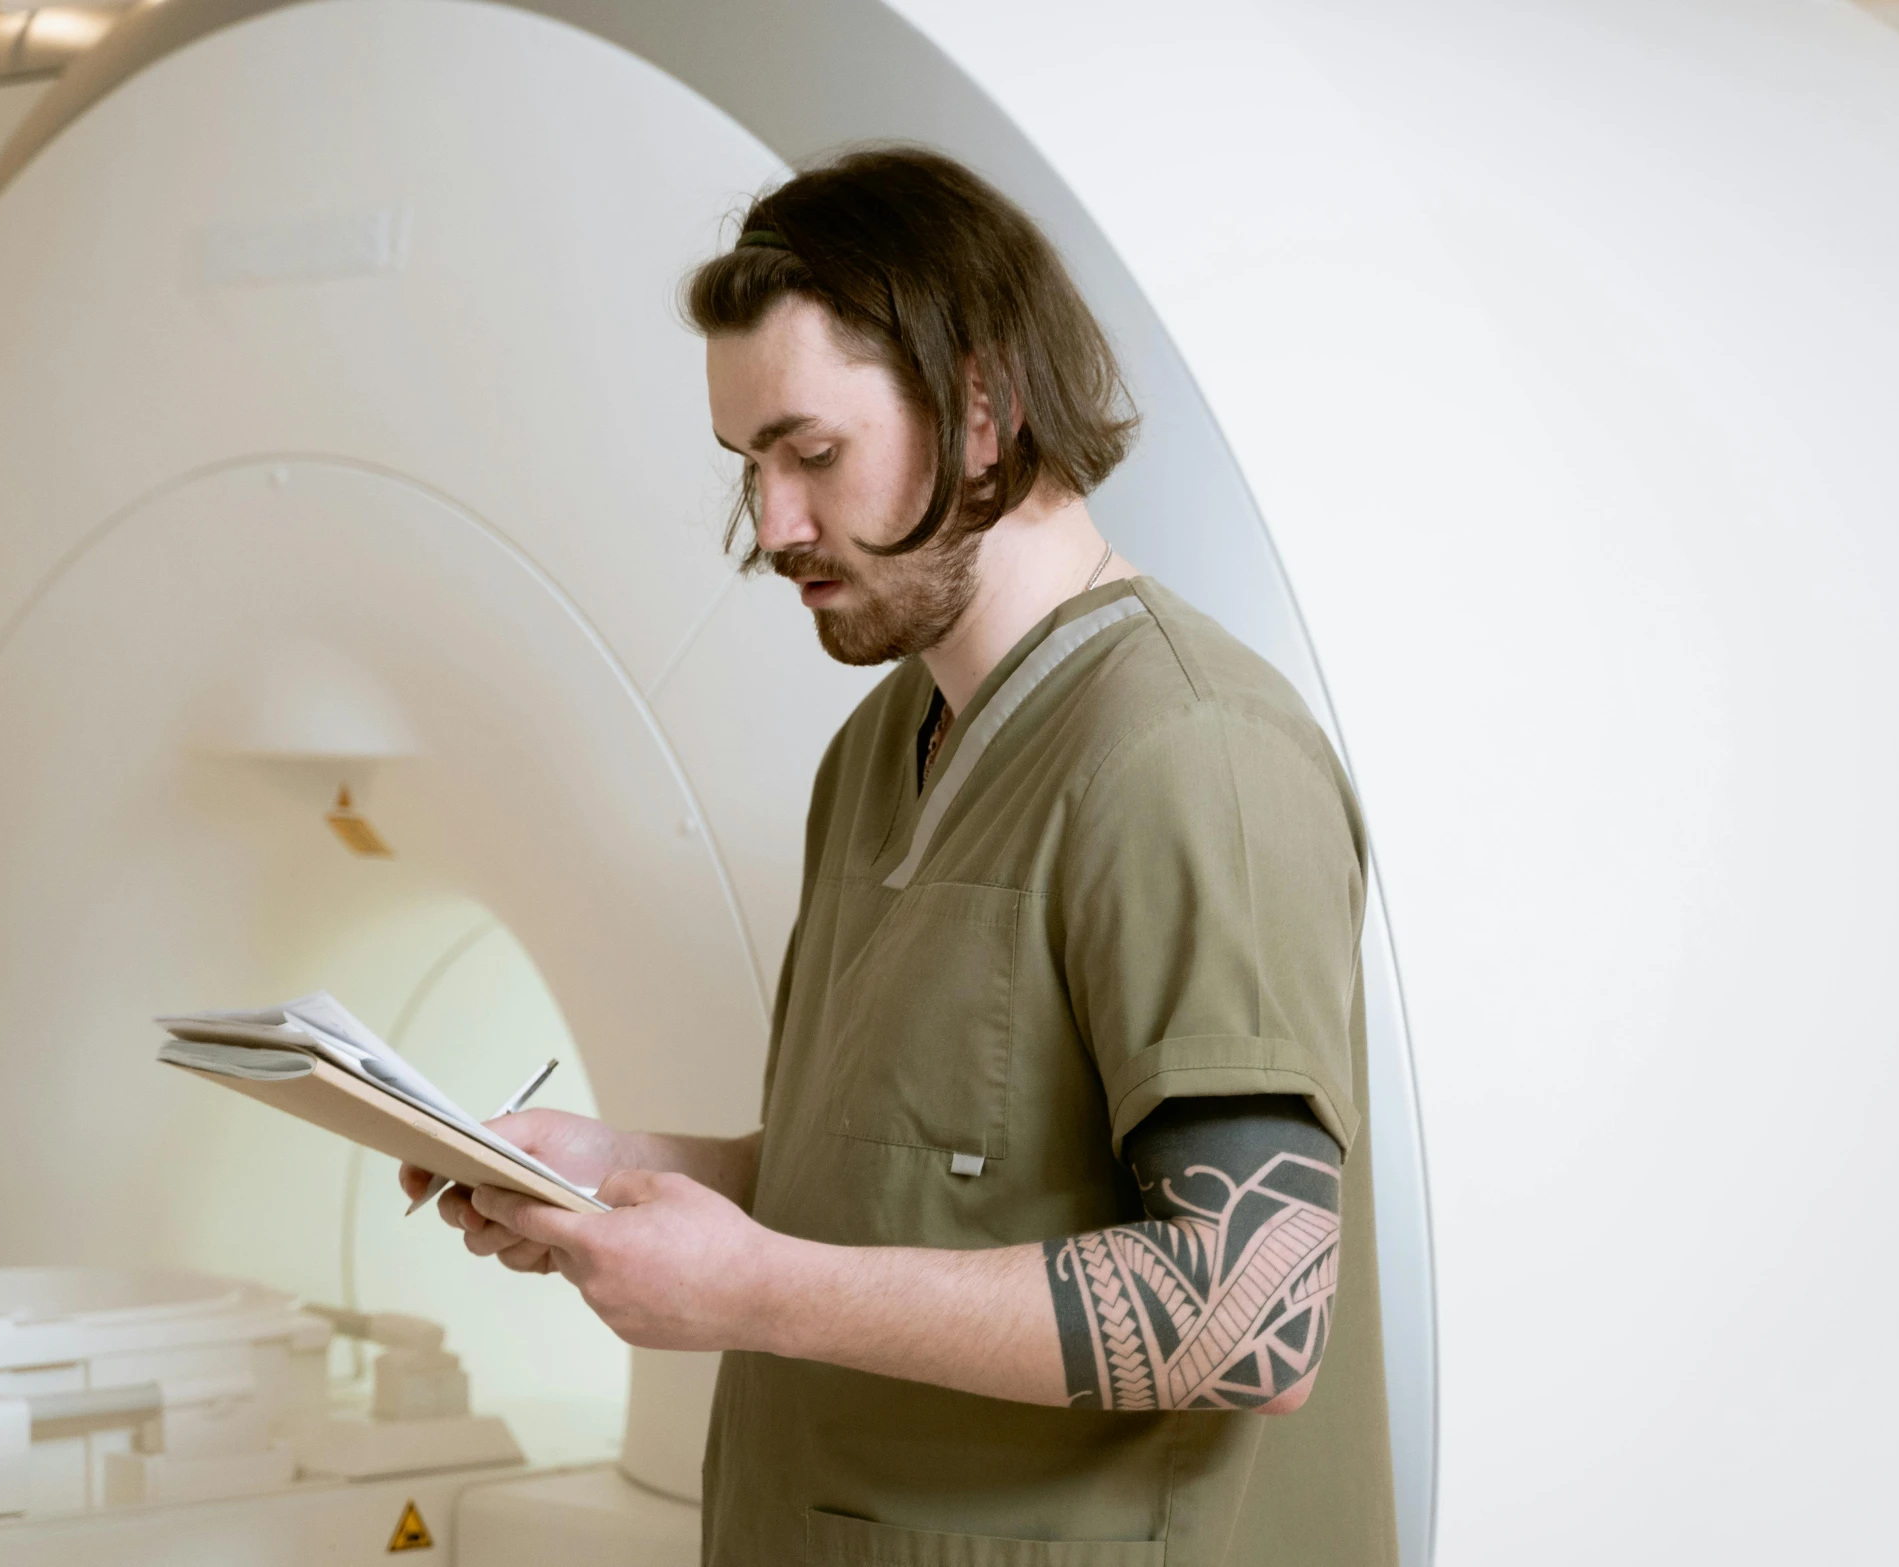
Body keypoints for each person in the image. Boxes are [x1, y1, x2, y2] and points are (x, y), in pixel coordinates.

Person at [402, 147, 1397, 1565]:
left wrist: (750, 1294)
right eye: (752, 466)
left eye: (813, 454)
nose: (774, 528)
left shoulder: (1185, 751)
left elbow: (1256, 1304)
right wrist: (610, 1172)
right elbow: (906, 1184)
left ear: (982, 409)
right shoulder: (885, 746)